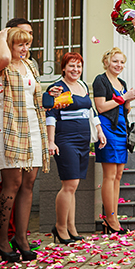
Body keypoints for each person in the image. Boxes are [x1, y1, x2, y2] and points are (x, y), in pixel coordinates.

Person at [0, 27, 51, 263]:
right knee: (11, 184)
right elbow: (3, 57)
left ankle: (22, 239)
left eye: (28, 44)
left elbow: (33, 96)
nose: (24, 49)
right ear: (9, 45)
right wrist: (1, 38)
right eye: (19, 44)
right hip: (10, 127)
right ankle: (2, 238)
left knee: (28, 183)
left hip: (33, 126)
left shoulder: (31, 66)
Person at [44, 53, 106, 244]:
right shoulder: (57, 87)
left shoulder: (83, 86)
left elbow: (90, 111)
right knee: (69, 185)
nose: (75, 70)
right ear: (63, 67)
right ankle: (60, 227)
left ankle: (71, 226)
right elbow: (51, 115)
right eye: (71, 66)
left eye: (79, 66)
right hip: (65, 140)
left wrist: (99, 131)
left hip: (83, 140)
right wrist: (51, 141)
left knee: (74, 186)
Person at [93, 48, 135, 234]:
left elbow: (124, 109)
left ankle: (114, 216)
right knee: (109, 175)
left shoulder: (122, 82)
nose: (118, 65)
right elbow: (101, 106)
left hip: (121, 129)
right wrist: (124, 98)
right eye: (115, 61)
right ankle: (110, 218)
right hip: (107, 129)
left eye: (121, 62)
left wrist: (129, 101)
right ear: (107, 62)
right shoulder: (100, 80)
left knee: (118, 175)